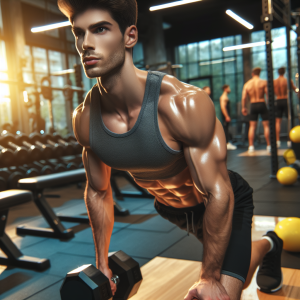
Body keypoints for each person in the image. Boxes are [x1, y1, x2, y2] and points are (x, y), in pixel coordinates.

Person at [58, 1, 283, 299]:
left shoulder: (181, 103)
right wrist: (102, 263)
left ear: (130, 36)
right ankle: (266, 245)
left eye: (100, 29)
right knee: (236, 270)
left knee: (225, 290)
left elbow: (217, 193)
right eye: (78, 33)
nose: (85, 43)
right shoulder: (85, 118)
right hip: (170, 209)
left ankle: (267, 245)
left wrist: (209, 277)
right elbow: (99, 192)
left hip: (219, 199)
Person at [241, 67, 270, 153]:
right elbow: (268, 95)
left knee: (252, 126)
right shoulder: (263, 82)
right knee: (266, 126)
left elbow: (243, 97)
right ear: (259, 73)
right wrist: (268, 106)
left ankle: (251, 146)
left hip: (253, 105)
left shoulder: (247, 84)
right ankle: (269, 146)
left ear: (252, 73)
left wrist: (244, 107)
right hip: (262, 103)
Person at [274, 67, 299, 147]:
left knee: (278, 122)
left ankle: (277, 141)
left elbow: (271, 92)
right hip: (286, 101)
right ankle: (289, 140)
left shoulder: (275, 82)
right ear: (284, 72)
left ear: (278, 72)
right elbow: (296, 90)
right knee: (289, 120)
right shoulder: (287, 81)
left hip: (278, 100)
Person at [220, 84, 237, 150]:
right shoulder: (223, 97)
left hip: (226, 116)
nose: (230, 90)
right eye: (229, 88)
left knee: (227, 129)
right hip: (225, 116)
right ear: (226, 89)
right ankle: (226, 144)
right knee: (225, 129)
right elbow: (223, 107)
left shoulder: (225, 97)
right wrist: (226, 116)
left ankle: (227, 143)